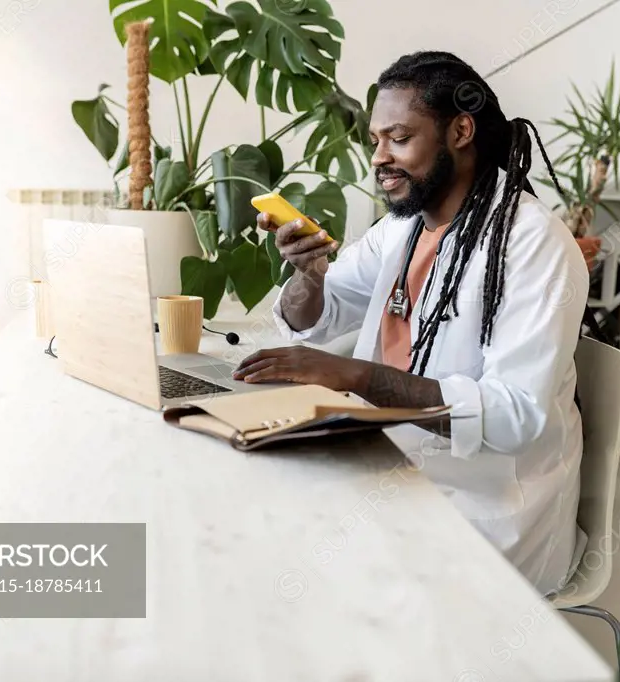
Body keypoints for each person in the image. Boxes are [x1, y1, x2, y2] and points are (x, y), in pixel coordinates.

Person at [232, 51, 589, 596]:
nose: (380, 157)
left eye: (398, 138)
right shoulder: (401, 230)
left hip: (488, 507)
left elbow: (515, 416)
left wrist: (354, 377)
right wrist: (307, 274)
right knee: (258, 504)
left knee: (301, 556)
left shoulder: (532, 242)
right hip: (393, 463)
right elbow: (320, 315)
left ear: (460, 130)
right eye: (375, 140)